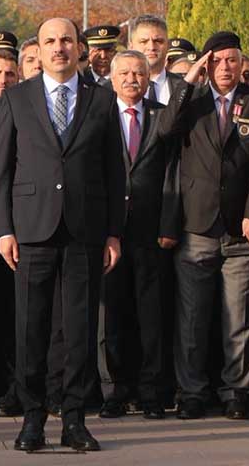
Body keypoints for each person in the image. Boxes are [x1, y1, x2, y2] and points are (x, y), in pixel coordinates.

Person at [0, 17, 125, 452]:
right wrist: (5, 229)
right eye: (50, 41)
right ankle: (32, 419)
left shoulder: (101, 101)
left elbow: (113, 173)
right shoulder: (16, 97)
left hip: (84, 230)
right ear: (40, 49)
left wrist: (112, 233)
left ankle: (74, 420)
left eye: (66, 40)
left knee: (80, 329)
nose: (58, 48)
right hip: (31, 230)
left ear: (79, 47)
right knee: (31, 328)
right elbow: (1, 171)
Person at [155, 31, 249, 421]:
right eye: (217, 60)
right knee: (192, 319)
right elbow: (164, 130)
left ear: (243, 63)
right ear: (206, 63)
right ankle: (191, 392)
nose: (225, 67)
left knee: (239, 318)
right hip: (196, 227)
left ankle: (235, 392)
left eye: (232, 60)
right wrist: (189, 81)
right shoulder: (192, 101)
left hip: (242, 229)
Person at [98, 49, 174, 421]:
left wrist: (169, 225)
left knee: (151, 317)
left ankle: (151, 393)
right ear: (112, 79)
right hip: (108, 233)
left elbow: (175, 172)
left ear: (149, 78)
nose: (132, 79)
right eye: (124, 73)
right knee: (113, 316)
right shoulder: (97, 115)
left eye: (138, 73)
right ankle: (116, 390)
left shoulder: (162, 116)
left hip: (151, 232)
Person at [126, 15, 184, 105]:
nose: (151, 47)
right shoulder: (112, 89)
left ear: (168, 45)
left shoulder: (184, 87)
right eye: (143, 41)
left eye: (158, 41)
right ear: (131, 47)